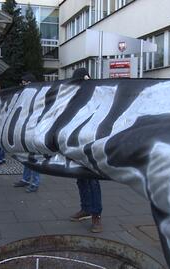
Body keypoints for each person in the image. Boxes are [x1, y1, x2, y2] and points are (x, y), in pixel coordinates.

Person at [68, 68, 103, 233]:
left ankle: (96, 215)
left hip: (91, 143)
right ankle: (86, 209)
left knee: (92, 180)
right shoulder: (73, 97)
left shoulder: (96, 96)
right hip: (76, 143)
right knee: (81, 178)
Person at [12, 73, 41, 193]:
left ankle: (34, 183)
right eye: (23, 83)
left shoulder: (38, 95)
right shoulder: (25, 96)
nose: (24, 85)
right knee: (26, 156)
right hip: (25, 129)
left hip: (34, 130)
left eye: (26, 83)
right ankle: (26, 179)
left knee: (34, 158)